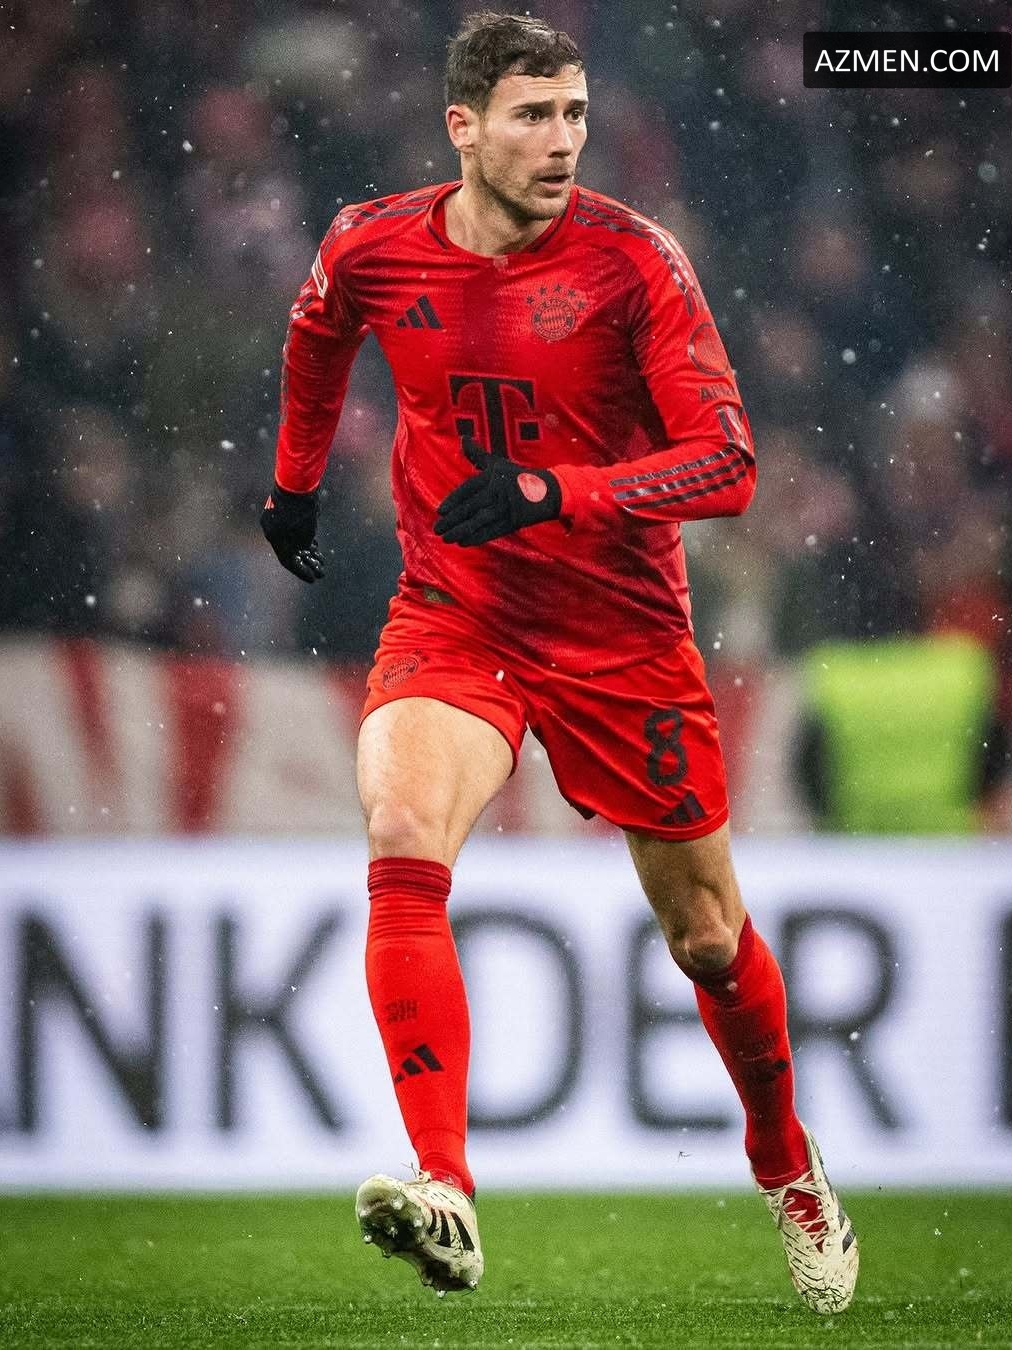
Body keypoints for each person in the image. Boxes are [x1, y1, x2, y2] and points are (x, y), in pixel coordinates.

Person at [260, 11, 858, 1316]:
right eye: (534, 115)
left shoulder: (634, 261)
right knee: (402, 831)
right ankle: (446, 1185)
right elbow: (317, 339)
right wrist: (293, 485)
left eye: (575, 114)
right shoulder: (371, 244)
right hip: (456, 615)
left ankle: (785, 1160)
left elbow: (729, 463)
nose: (563, 141)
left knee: (707, 938)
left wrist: (556, 489)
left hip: (621, 637)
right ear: (462, 128)